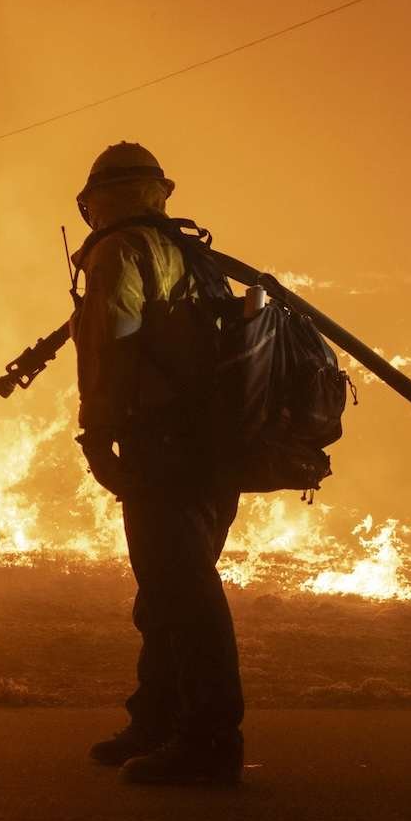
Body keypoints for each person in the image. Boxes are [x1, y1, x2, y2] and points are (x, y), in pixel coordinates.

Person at [68, 142, 245, 785]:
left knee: (182, 593)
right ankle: (159, 720)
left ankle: (208, 740)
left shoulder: (120, 251)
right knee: (167, 590)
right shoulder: (193, 254)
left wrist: (97, 435)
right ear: (159, 191)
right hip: (214, 451)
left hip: (163, 447)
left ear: (101, 201)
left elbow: (109, 346)